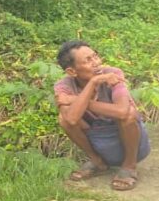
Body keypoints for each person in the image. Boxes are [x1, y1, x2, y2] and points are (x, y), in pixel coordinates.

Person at [54, 41, 150, 190]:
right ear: (72, 72)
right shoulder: (64, 86)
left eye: (95, 56)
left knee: (130, 114)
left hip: (133, 145)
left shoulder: (113, 74)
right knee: (63, 119)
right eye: (88, 60)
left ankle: (129, 166)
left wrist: (75, 100)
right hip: (99, 141)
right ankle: (98, 162)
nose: (96, 63)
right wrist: (93, 83)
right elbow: (71, 119)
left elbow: (122, 112)